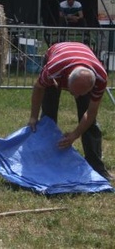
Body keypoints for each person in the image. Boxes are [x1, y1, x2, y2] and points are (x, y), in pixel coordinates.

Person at [28, 42, 112, 180]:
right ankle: (45, 161)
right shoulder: (53, 70)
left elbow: (91, 113)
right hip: (57, 55)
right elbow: (38, 88)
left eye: (81, 93)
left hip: (82, 63)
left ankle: (96, 167)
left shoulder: (100, 78)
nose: (76, 96)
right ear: (66, 81)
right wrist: (33, 117)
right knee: (48, 115)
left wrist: (75, 134)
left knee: (90, 124)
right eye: (74, 92)